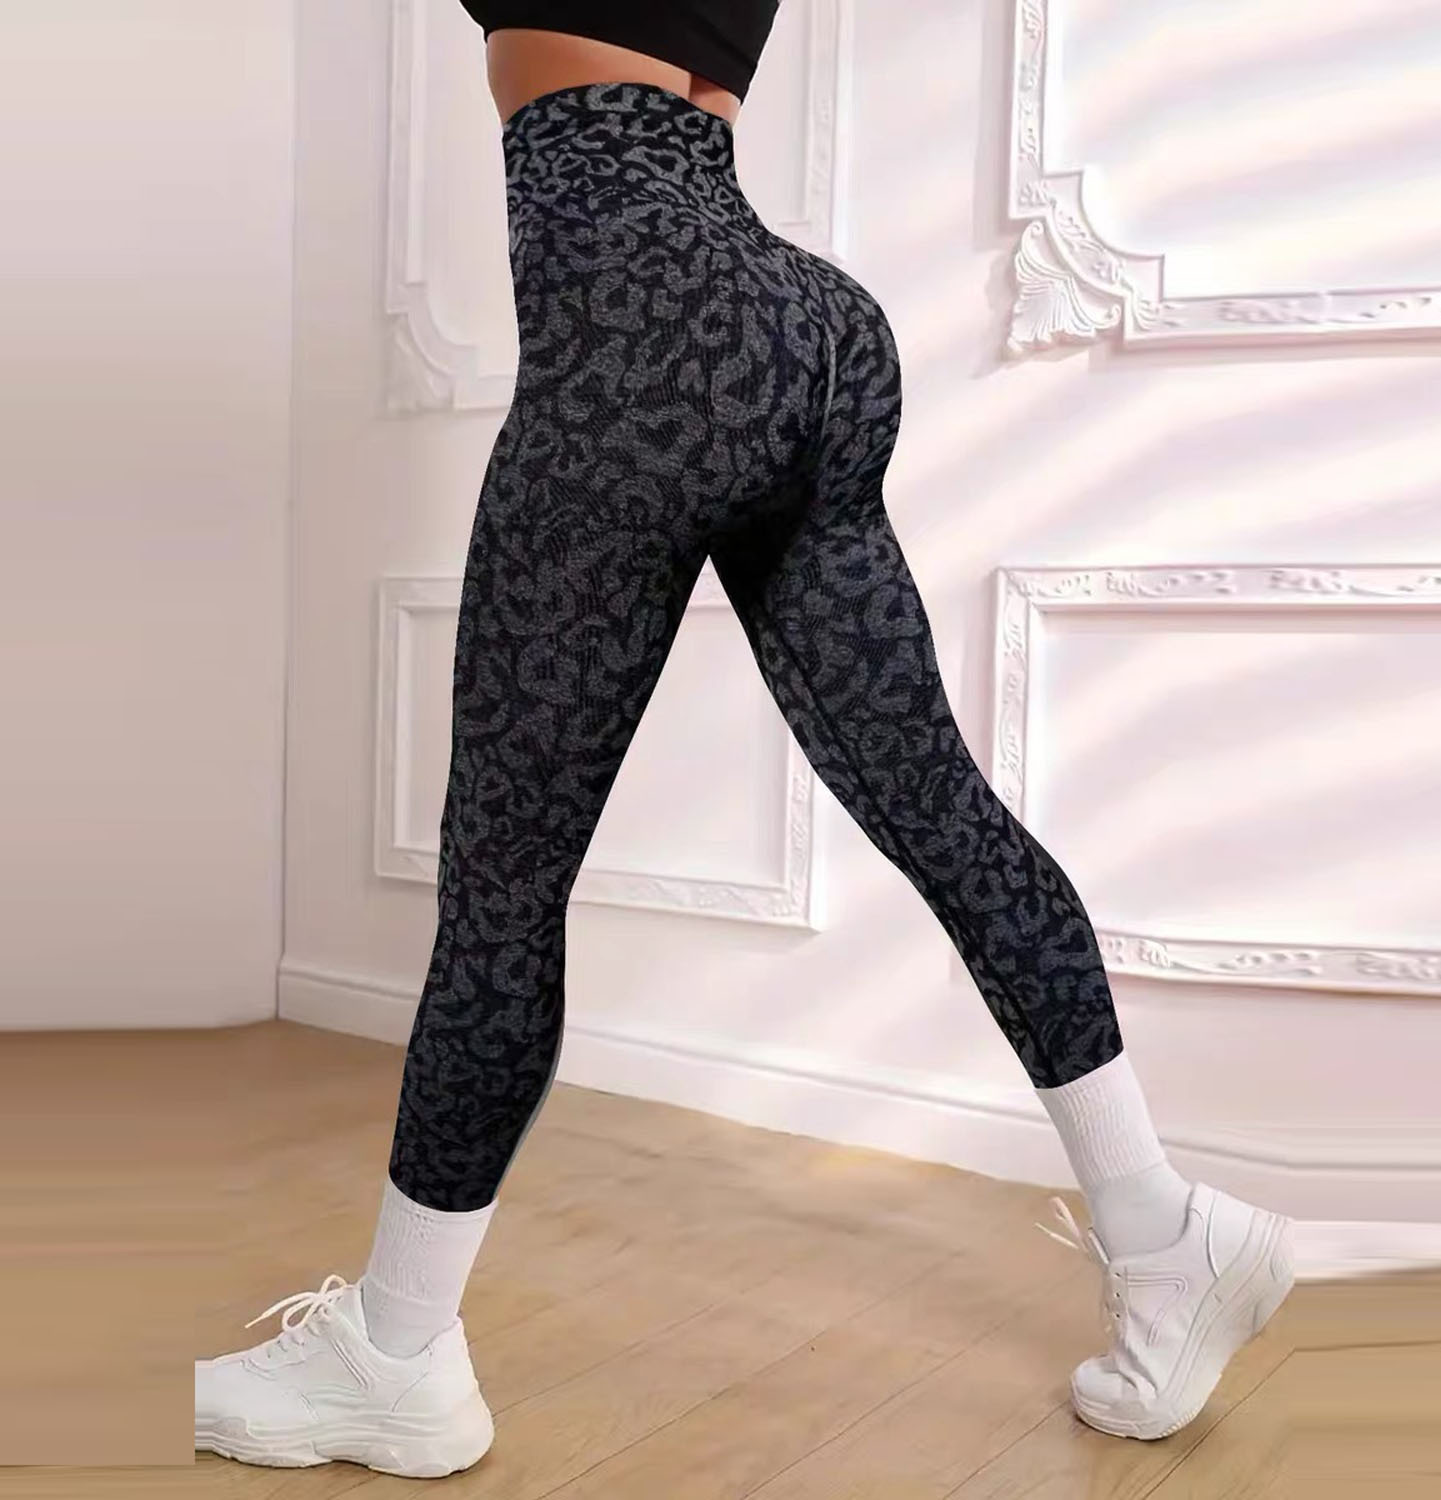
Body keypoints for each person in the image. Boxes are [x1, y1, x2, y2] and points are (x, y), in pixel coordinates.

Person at [194, 3, 1294, 1477]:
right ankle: (1163, 1231)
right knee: (941, 808)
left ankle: (396, 1361)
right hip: (802, 319)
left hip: (643, 318)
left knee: (503, 892)